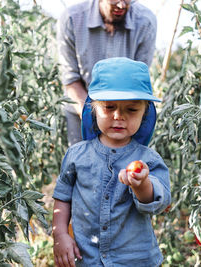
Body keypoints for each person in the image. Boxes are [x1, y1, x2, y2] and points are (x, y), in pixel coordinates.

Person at [52, 57, 171, 267]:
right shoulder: (76, 155)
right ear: (94, 109)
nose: (118, 116)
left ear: (144, 114)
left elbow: (157, 203)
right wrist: (60, 234)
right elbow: (63, 197)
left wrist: (141, 184)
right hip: (87, 258)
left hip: (135, 260)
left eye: (131, 110)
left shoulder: (148, 159)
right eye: (109, 107)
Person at [57, 0, 157, 145]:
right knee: (80, 160)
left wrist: (120, 119)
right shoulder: (72, 19)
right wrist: (94, 117)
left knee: (125, 163)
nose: (122, 5)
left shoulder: (145, 22)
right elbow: (71, 79)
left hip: (125, 115)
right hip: (81, 106)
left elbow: (138, 80)